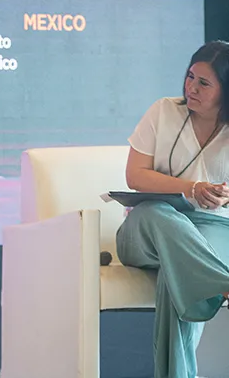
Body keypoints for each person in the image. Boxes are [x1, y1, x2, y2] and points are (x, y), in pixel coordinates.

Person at [116, 41, 229, 378]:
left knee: (178, 270)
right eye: (190, 76)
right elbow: (135, 176)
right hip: (146, 227)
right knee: (158, 214)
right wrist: (191, 188)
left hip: (210, 229)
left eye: (204, 83)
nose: (191, 87)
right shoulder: (164, 111)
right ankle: (219, 281)